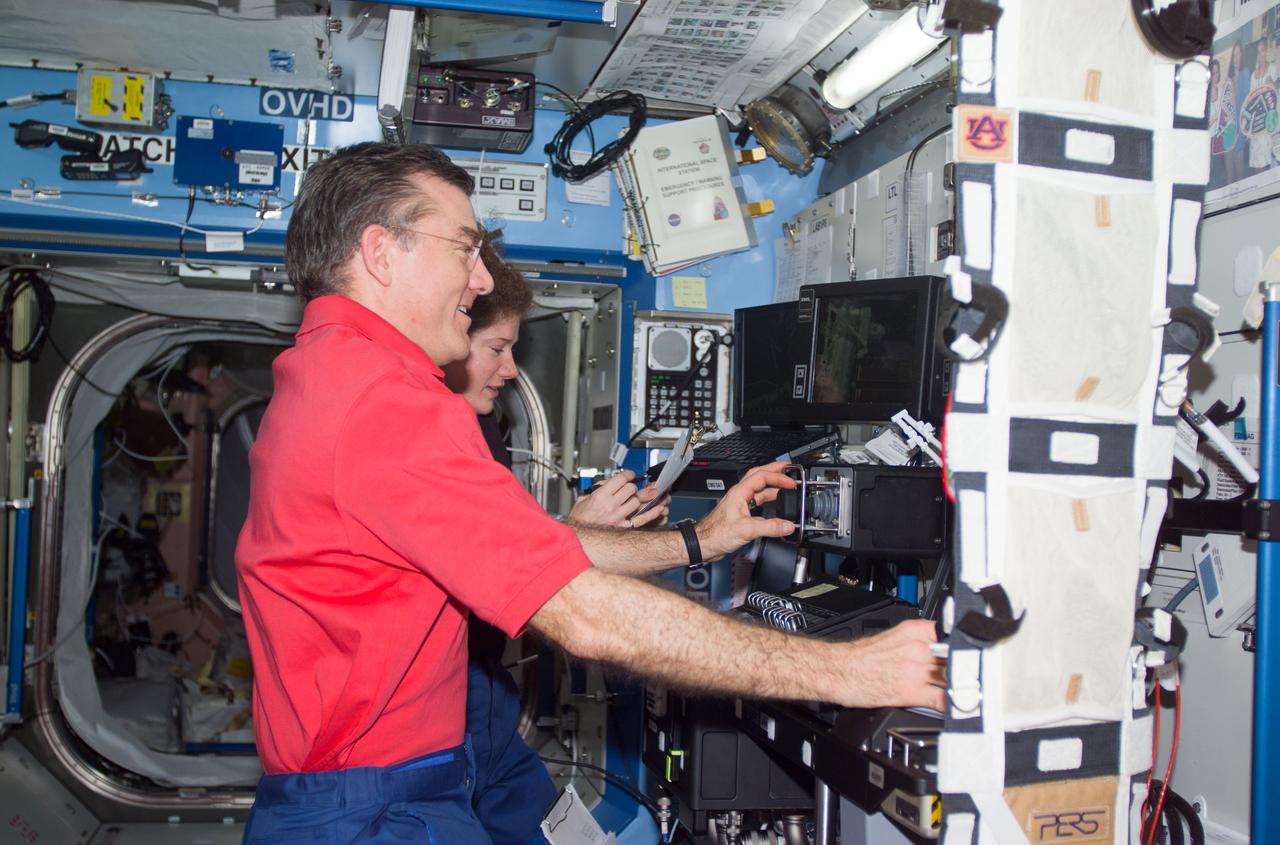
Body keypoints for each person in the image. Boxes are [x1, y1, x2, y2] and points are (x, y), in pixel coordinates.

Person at [235, 142, 944, 844]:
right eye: (464, 247)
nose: (480, 279)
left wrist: (700, 539)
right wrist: (848, 669)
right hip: (373, 810)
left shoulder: (328, 378)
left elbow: (537, 548)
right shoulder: (383, 403)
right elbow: (588, 619)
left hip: (369, 792)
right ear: (382, 253)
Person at [442, 244, 666, 844]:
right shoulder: (430, 447)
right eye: (497, 349)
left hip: (483, 691)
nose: (511, 369)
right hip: (449, 699)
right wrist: (577, 529)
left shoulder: (483, 428)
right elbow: (491, 571)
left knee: (555, 831)